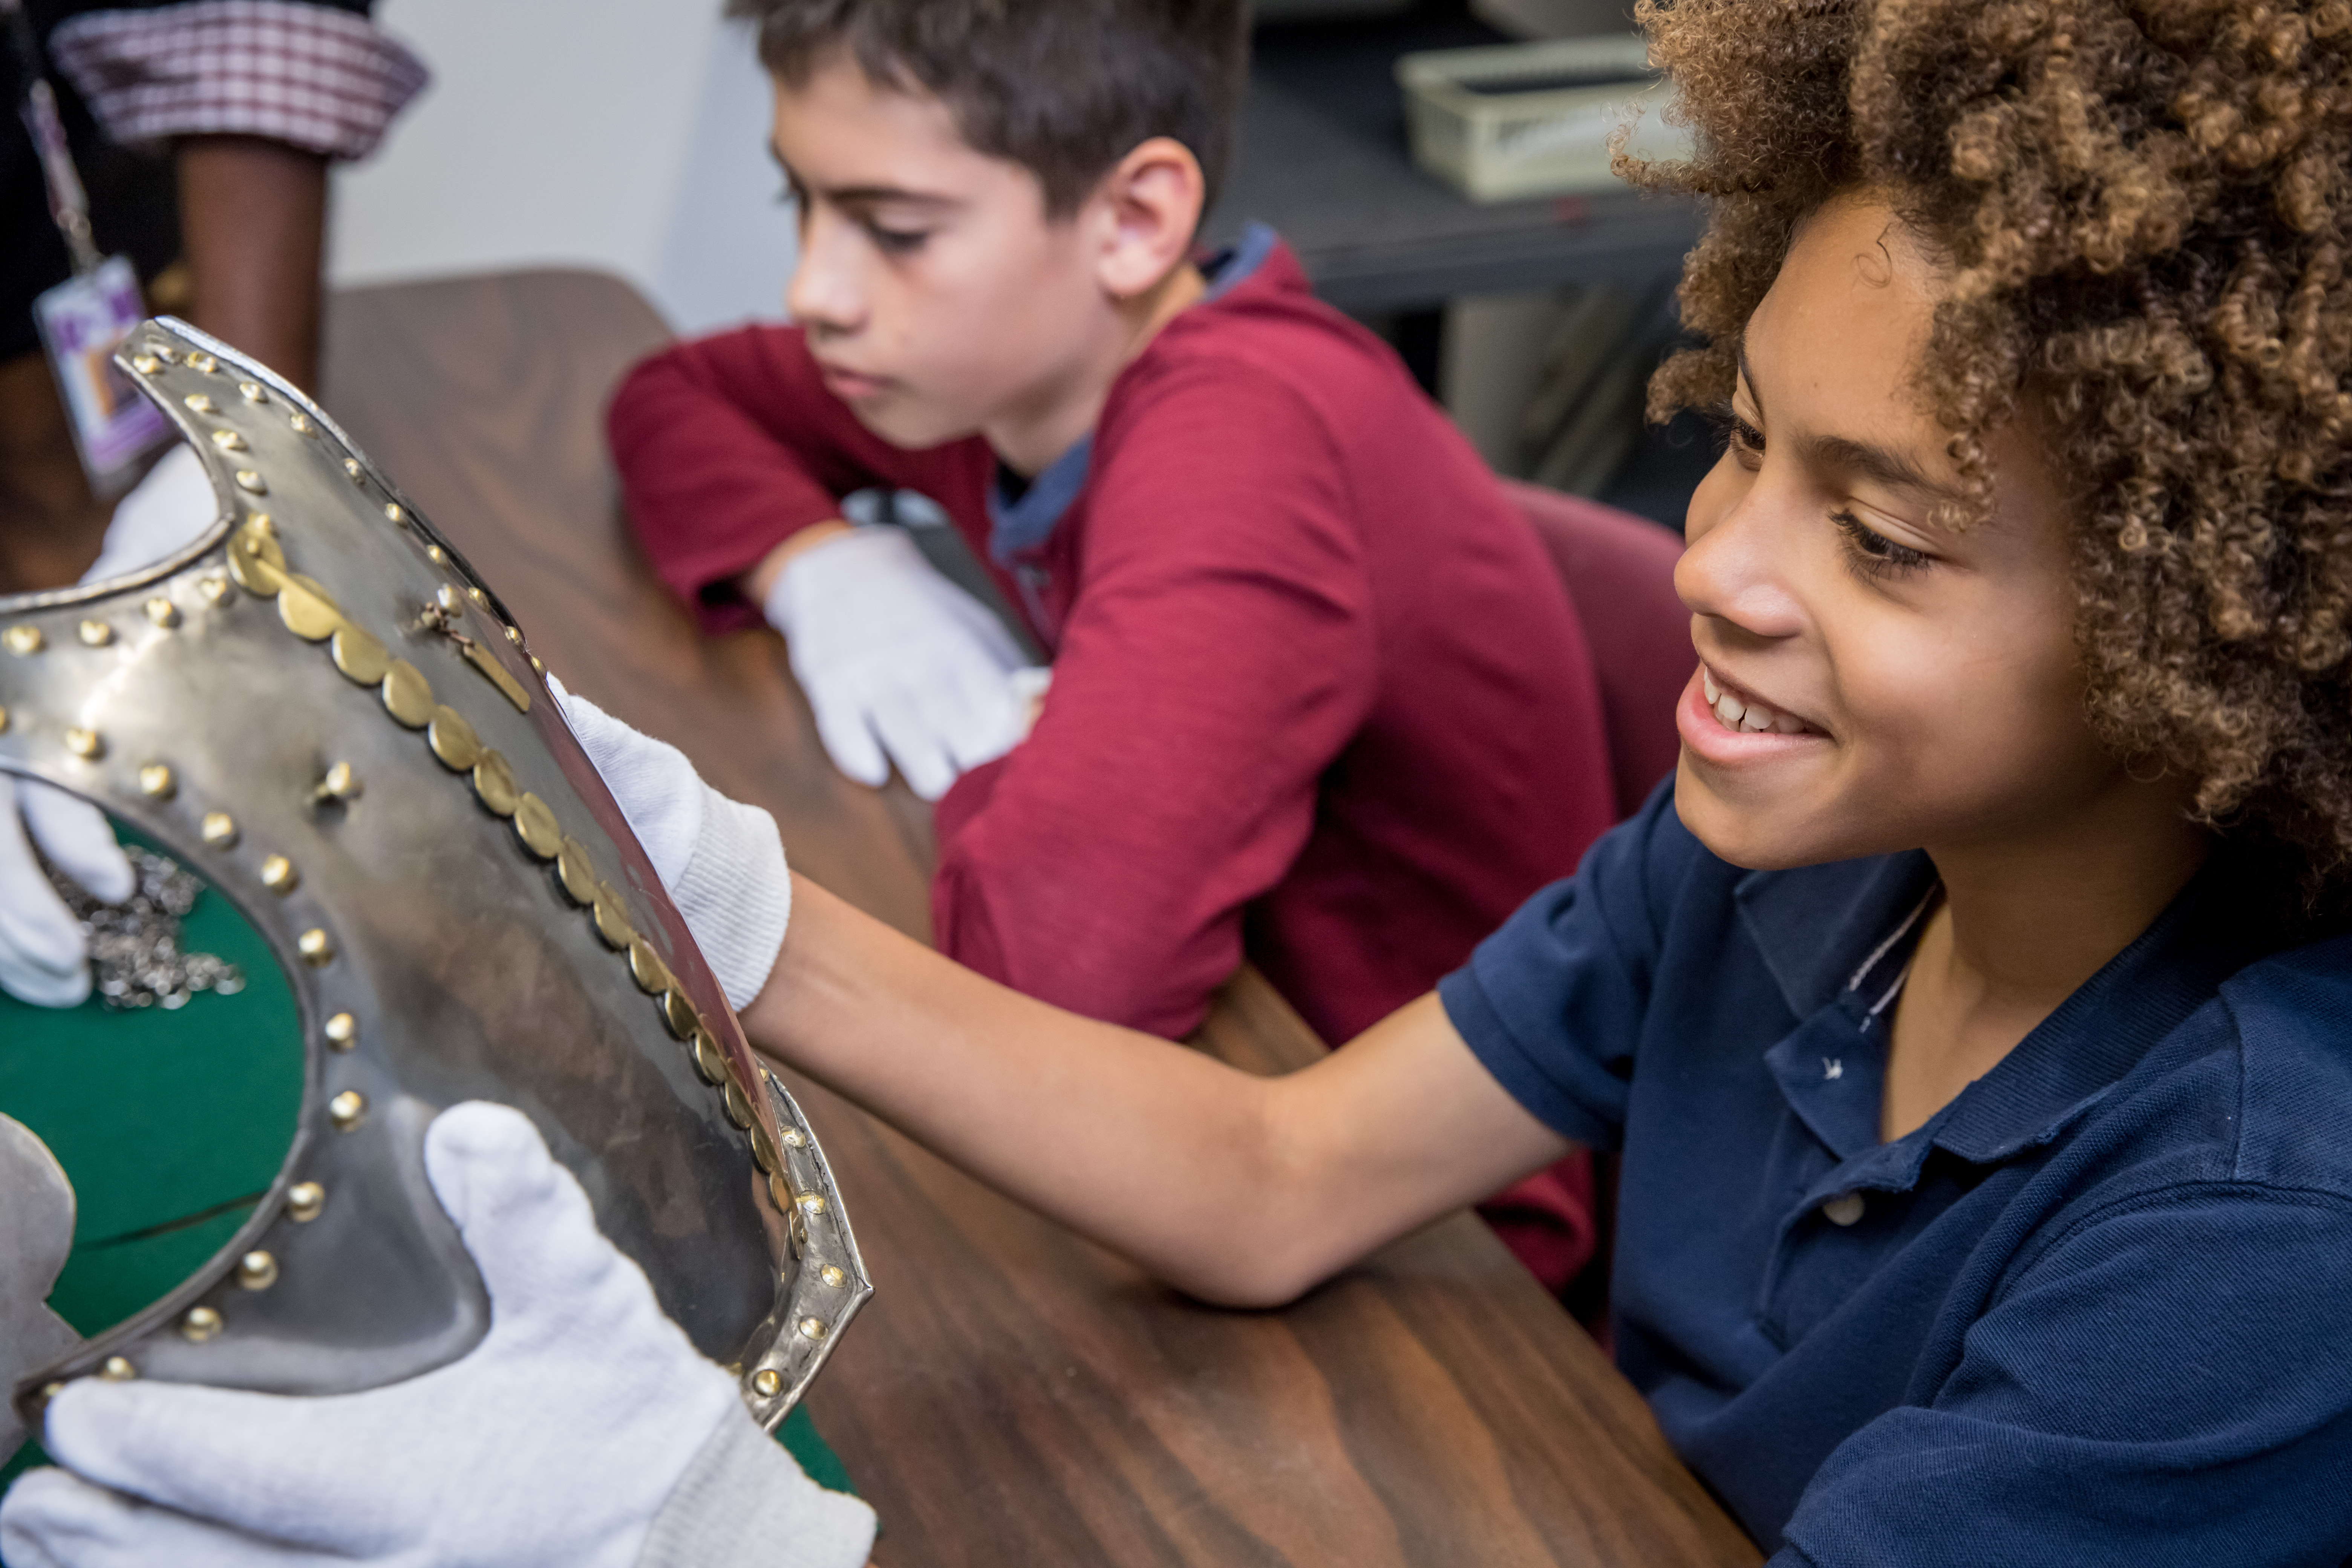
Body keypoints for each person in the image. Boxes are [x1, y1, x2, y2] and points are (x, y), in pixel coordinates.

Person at [16, 0, 2352, 1560]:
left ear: (2223, 613)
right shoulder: (1796, 866)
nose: (1716, 568)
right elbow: (1275, 1169)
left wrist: (736, 1539)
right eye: (1738, 441)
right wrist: (715, 900)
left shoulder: (2264, 1237)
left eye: (1884, 533)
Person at [608, 0, 1618, 1293]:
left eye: (895, 231)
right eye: (800, 203)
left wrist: (1036, 735)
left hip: (1427, 1236)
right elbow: (675, 396)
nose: (816, 288)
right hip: (1227, 1088)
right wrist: (821, 568)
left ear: (1134, 222)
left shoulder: (1242, 450)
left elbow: (1052, 983)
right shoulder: (997, 371)